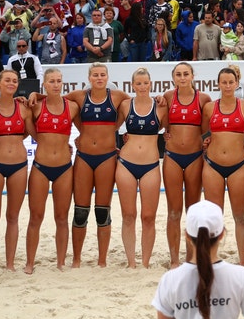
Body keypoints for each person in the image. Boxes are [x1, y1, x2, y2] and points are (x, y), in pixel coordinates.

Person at [37, 63, 129, 267]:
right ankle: (77, 259)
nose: (99, 78)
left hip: (106, 157)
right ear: (89, 77)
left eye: (102, 75)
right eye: (95, 75)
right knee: (80, 210)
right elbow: (54, 99)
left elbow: (137, 104)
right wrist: (36, 95)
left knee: (102, 210)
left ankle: (102, 260)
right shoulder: (79, 96)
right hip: (84, 157)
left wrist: (119, 132)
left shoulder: (117, 97)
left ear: (107, 77)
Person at [25, 68, 79, 273]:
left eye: (59, 81)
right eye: (52, 81)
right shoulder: (36, 106)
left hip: (64, 168)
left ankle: (60, 262)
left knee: (62, 217)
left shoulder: (72, 107)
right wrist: (34, 95)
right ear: (44, 85)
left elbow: (87, 129)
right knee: (35, 217)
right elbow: (31, 131)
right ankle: (30, 263)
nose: (56, 84)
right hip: (40, 167)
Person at [0, 70, 34, 270]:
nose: (11, 83)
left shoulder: (24, 108)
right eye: (7, 80)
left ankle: (10, 263)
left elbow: (31, 133)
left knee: (13, 217)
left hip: (19, 165)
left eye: (14, 81)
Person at [162, 62, 213, 267]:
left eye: (186, 74)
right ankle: (174, 259)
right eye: (178, 74)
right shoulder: (167, 97)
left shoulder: (203, 99)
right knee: (173, 212)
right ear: (173, 77)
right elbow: (161, 124)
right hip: (172, 156)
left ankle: (191, 257)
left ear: (193, 76)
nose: (182, 77)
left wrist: (209, 141)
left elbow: (207, 129)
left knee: (193, 211)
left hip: (194, 156)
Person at [115, 68, 167, 268]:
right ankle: (131, 262)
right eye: (139, 83)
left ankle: (144, 262)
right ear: (132, 85)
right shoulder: (126, 105)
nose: (143, 87)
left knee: (148, 216)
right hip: (126, 164)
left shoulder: (161, 106)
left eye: (146, 83)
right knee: (128, 215)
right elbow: (110, 128)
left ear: (151, 84)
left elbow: (171, 131)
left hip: (151, 165)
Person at [201, 67, 244, 266]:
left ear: (237, 83)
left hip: (238, 166)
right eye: (224, 82)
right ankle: (211, 258)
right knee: (213, 216)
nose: (228, 85)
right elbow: (197, 131)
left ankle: (243, 261)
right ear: (218, 84)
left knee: (241, 215)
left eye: (231, 82)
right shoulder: (209, 107)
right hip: (213, 165)